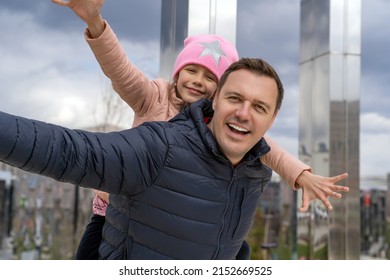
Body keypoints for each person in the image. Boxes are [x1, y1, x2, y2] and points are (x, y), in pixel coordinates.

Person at [51, 0, 349, 259]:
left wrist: (302, 176)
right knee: (89, 258)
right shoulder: (153, 96)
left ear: (220, 92)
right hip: (121, 209)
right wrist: (95, 23)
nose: (197, 80)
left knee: (232, 250)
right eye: (191, 70)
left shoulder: (218, 121)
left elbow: (270, 149)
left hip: (185, 217)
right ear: (178, 73)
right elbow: (120, 69)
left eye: (209, 76)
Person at [0, 58, 348, 259]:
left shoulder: (255, 171)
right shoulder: (159, 146)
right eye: (235, 99)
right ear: (214, 103)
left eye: (259, 107)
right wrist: (95, 25)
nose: (244, 113)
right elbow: (69, 150)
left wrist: (303, 175)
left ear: (271, 121)